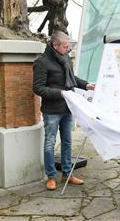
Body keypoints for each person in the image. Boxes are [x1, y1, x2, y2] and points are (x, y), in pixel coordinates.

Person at [33, 31, 95, 190]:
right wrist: (59, 93)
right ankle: (51, 177)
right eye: (66, 46)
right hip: (52, 110)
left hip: (68, 108)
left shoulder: (66, 57)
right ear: (55, 46)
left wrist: (86, 85)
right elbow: (38, 88)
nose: (68, 49)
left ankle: (67, 173)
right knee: (50, 143)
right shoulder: (42, 62)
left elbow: (72, 80)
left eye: (69, 46)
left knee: (67, 142)